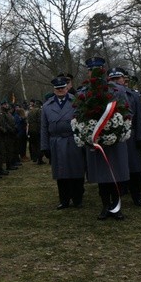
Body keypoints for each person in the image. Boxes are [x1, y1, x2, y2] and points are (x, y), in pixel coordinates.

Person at [82, 57, 130, 220]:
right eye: (91, 70)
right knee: (102, 176)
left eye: (98, 70)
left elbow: (127, 112)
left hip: (115, 139)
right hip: (96, 141)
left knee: (115, 174)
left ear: (103, 72)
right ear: (88, 73)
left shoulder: (117, 90)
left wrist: (117, 128)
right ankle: (104, 206)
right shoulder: (83, 92)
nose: (94, 74)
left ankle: (116, 208)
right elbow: (78, 115)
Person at [40, 77, 85, 209]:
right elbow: (43, 128)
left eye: (62, 88)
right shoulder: (47, 106)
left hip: (73, 140)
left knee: (76, 171)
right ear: (54, 90)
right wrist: (44, 147)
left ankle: (78, 199)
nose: (60, 90)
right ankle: (64, 200)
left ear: (67, 88)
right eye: (57, 88)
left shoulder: (77, 102)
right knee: (61, 173)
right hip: (56, 142)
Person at [107, 67, 141, 206]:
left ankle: (137, 196)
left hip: (131, 136)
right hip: (113, 137)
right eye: (112, 79)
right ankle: (118, 195)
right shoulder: (106, 95)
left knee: (134, 168)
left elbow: (140, 119)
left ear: (124, 79)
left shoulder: (134, 95)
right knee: (116, 168)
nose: (115, 82)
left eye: (118, 78)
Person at [27, 100, 44, 164]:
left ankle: (34, 158)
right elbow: (40, 121)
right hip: (37, 129)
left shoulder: (30, 111)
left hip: (31, 130)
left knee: (33, 145)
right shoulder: (39, 111)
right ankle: (40, 159)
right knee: (39, 144)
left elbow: (28, 121)